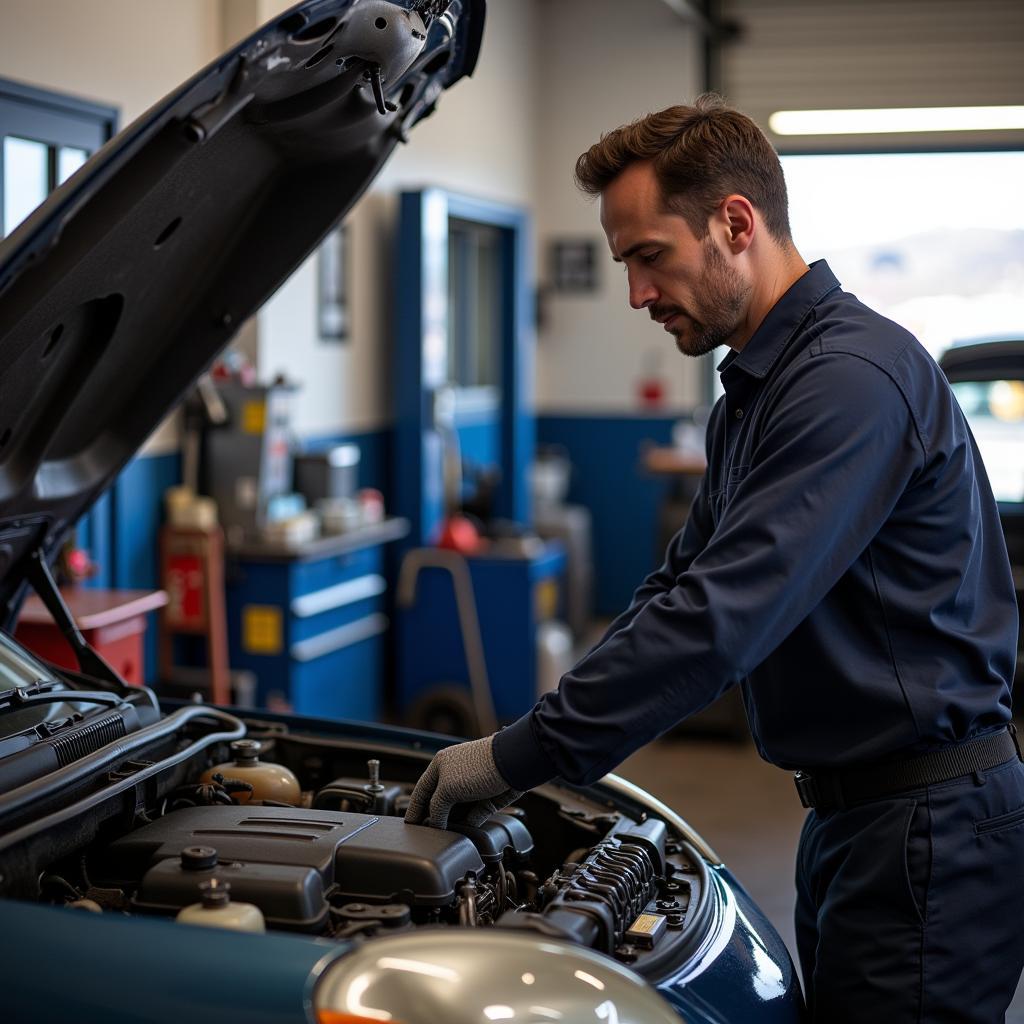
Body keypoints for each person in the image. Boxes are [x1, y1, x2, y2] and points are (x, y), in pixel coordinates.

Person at [404, 93, 1024, 1021]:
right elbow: (676, 588)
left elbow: (719, 620)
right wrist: (550, 728)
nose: (637, 294)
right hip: (855, 820)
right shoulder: (754, 396)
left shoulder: (849, 382)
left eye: (650, 257)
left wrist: (520, 755)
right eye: (624, 264)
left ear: (736, 223)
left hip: (929, 830)